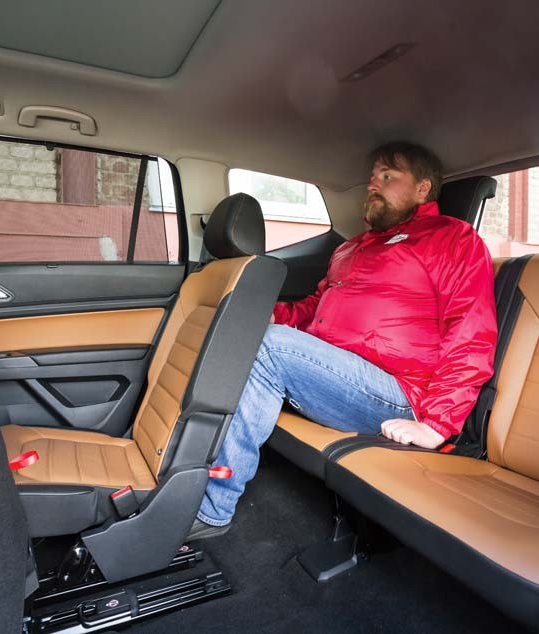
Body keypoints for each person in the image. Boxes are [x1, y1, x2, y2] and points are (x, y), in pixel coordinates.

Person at [190, 141, 497, 539]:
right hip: (335, 376)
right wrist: (275, 315)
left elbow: (471, 335)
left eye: (388, 176)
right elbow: (316, 306)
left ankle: (211, 511)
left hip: (398, 392)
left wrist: (436, 424)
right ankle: (182, 471)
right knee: (252, 332)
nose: (373, 185)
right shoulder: (353, 247)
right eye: (373, 178)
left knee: (270, 346)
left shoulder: (453, 239)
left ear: (423, 188)